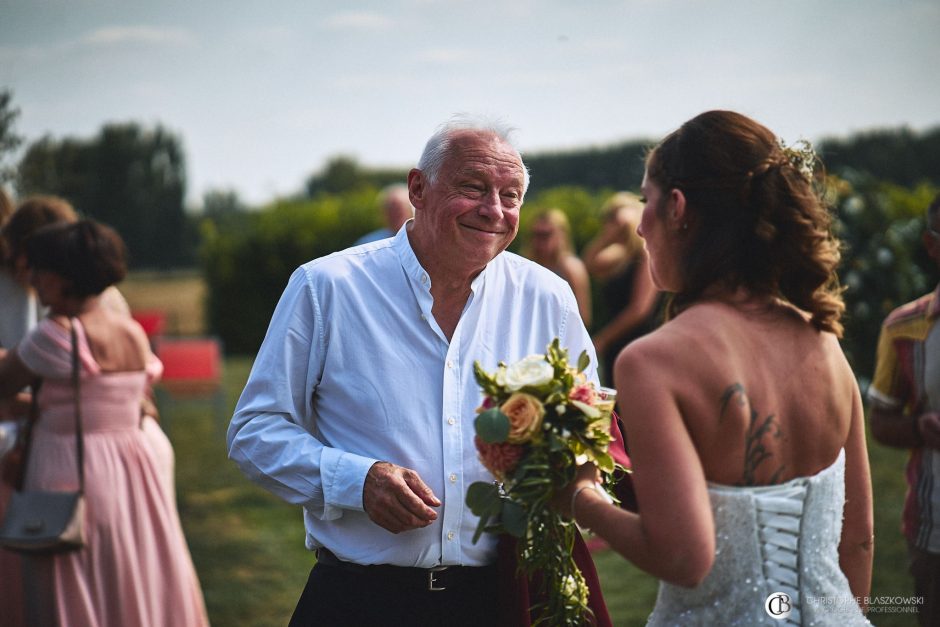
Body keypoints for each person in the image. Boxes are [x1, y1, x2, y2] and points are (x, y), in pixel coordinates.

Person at [227, 115, 608, 626]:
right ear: (418, 189)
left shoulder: (546, 297)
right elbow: (254, 431)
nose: (494, 210)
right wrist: (356, 481)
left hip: (502, 598)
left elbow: (587, 429)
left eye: (511, 195)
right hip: (361, 601)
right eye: (472, 188)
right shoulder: (328, 287)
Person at [553, 110, 874, 625]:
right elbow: (857, 540)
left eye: (645, 202)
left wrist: (580, 495)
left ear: (678, 208)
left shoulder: (654, 361)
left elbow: (684, 557)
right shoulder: (825, 341)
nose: (639, 225)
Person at [0, 220, 209, 626]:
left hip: (71, 468)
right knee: (132, 568)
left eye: (40, 269)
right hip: (134, 468)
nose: (34, 280)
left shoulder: (55, 334)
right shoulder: (129, 332)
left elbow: (4, 382)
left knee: (69, 569)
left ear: (64, 277)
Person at [868, 192, 940, 626]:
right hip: (935, 532)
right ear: (932, 246)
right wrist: (920, 427)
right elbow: (881, 421)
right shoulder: (905, 326)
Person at [581, 192, 661, 384]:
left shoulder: (646, 253)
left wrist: (602, 340)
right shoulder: (620, 256)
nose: (612, 223)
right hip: (619, 344)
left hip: (640, 342)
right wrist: (608, 236)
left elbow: (639, 309)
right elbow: (589, 263)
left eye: (614, 217)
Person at [523, 208, 592, 326]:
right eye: (535, 234)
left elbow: (583, 317)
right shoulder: (526, 265)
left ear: (561, 235)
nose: (539, 241)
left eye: (545, 235)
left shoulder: (571, 268)